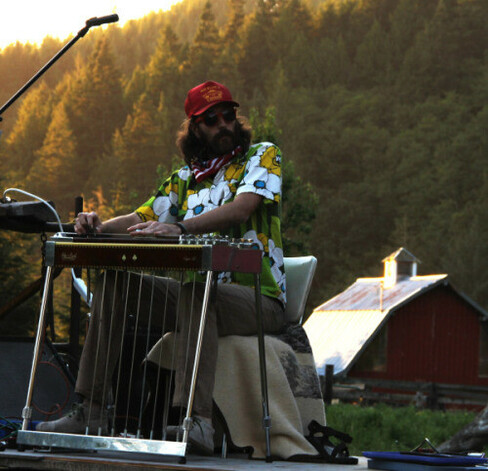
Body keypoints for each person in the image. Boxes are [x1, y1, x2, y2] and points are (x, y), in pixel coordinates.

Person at [36, 81, 287, 455]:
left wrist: (180, 228)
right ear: (195, 129)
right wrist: (95, 226)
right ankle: (91, 409)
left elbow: (242, 208)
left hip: (259, 299)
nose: (223, 124)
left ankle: (196, 421)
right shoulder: (184, 179)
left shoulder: (262, 155)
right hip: (198, 299)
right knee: (115, 283)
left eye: (228, 115)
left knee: (196, 291)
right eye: (211, 119)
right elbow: (140, 217)